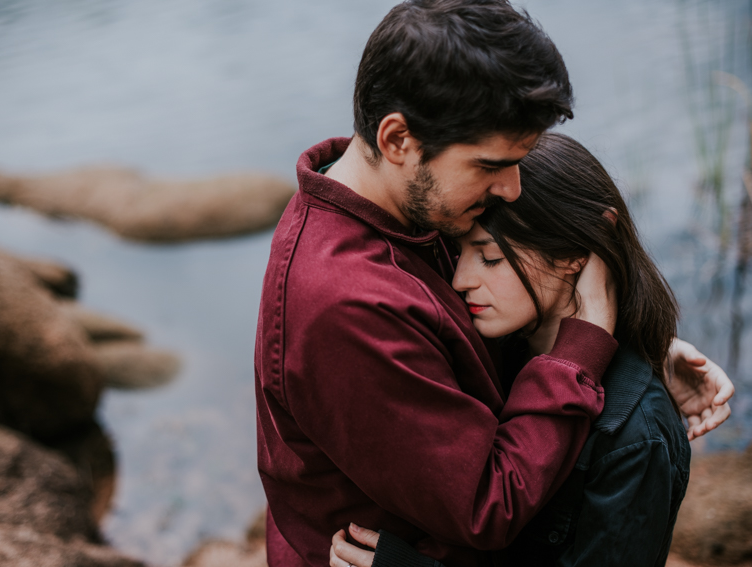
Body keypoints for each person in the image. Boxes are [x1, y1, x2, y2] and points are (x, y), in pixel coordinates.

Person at [254, 2, 732, 566]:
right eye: (490, 165)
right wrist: (584, 346)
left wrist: (635, 351)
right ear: (398, 140)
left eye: (519, 161)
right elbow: (488, 506)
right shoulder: (347, 301)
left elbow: (482, 321)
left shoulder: (406, 205)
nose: (510, 189)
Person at [329, 133, 694, 567]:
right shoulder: (490, 349)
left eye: (490, 258)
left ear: (577, 252)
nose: (460, 279)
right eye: (458, 250)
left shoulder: (636, 439)